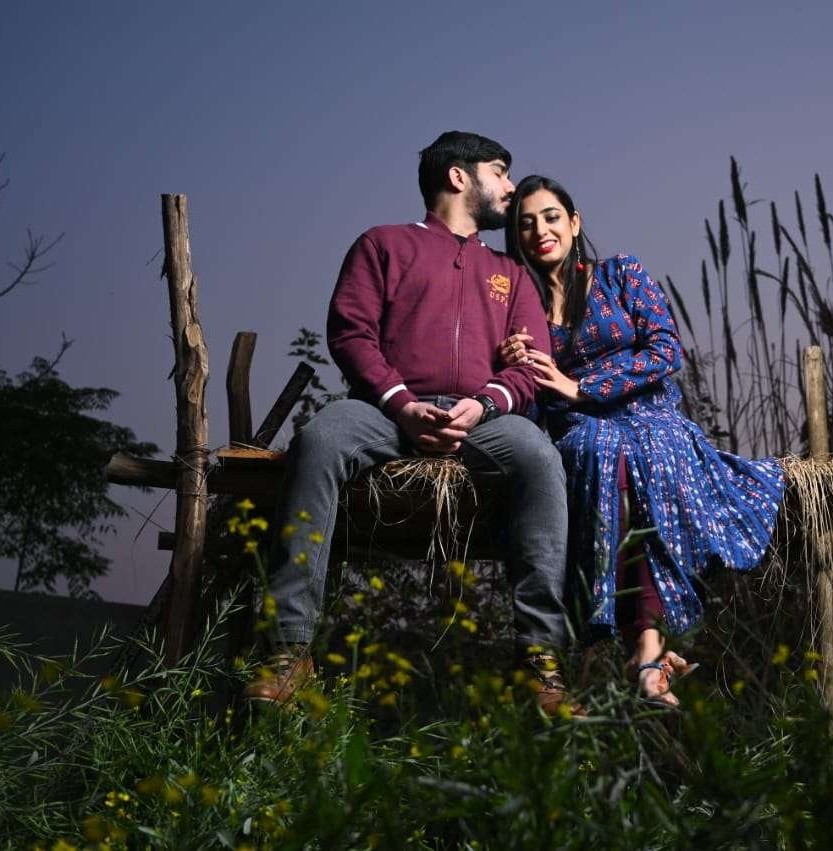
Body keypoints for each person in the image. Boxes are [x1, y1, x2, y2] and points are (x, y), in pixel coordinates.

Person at [246, 134, 582, 716]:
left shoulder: (511, 272)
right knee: (321, 438)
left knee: (539, 456)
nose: (510, 187)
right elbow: (351, 334)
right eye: (499, 172)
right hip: (385, 412)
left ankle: (540, 662)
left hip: (480, 419)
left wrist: (484, 404)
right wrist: (401, 404)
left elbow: (531, 366)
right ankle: (288, 651)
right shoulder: (383, 244)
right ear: (458, 176)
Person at [499, 175, 786, 706]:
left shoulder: (620, 273)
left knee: (653, 449)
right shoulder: (522, 306)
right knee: (601, 451)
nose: (541, 231)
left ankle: (647, 650)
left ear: (574, 222)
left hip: (648, 411)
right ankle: (647, 653)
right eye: (526, 224)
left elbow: (665, 350)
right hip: (579, 424)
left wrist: (583, 385)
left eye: (551, 217)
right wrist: (512, 359)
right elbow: (530, 393)